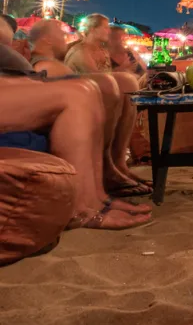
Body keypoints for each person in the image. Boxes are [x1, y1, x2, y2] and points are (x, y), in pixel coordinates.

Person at [54, 15, 151, 195]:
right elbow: (99, 80)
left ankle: (119, 162)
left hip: (102, 95)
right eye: (105, 28)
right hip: (83, 99)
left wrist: (127, 71)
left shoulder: (101, 50)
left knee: (129, 83)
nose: (108, 31)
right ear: (93, 29)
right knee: (123, 81)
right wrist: (123, 70)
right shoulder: (80, 51)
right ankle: (108, 165)